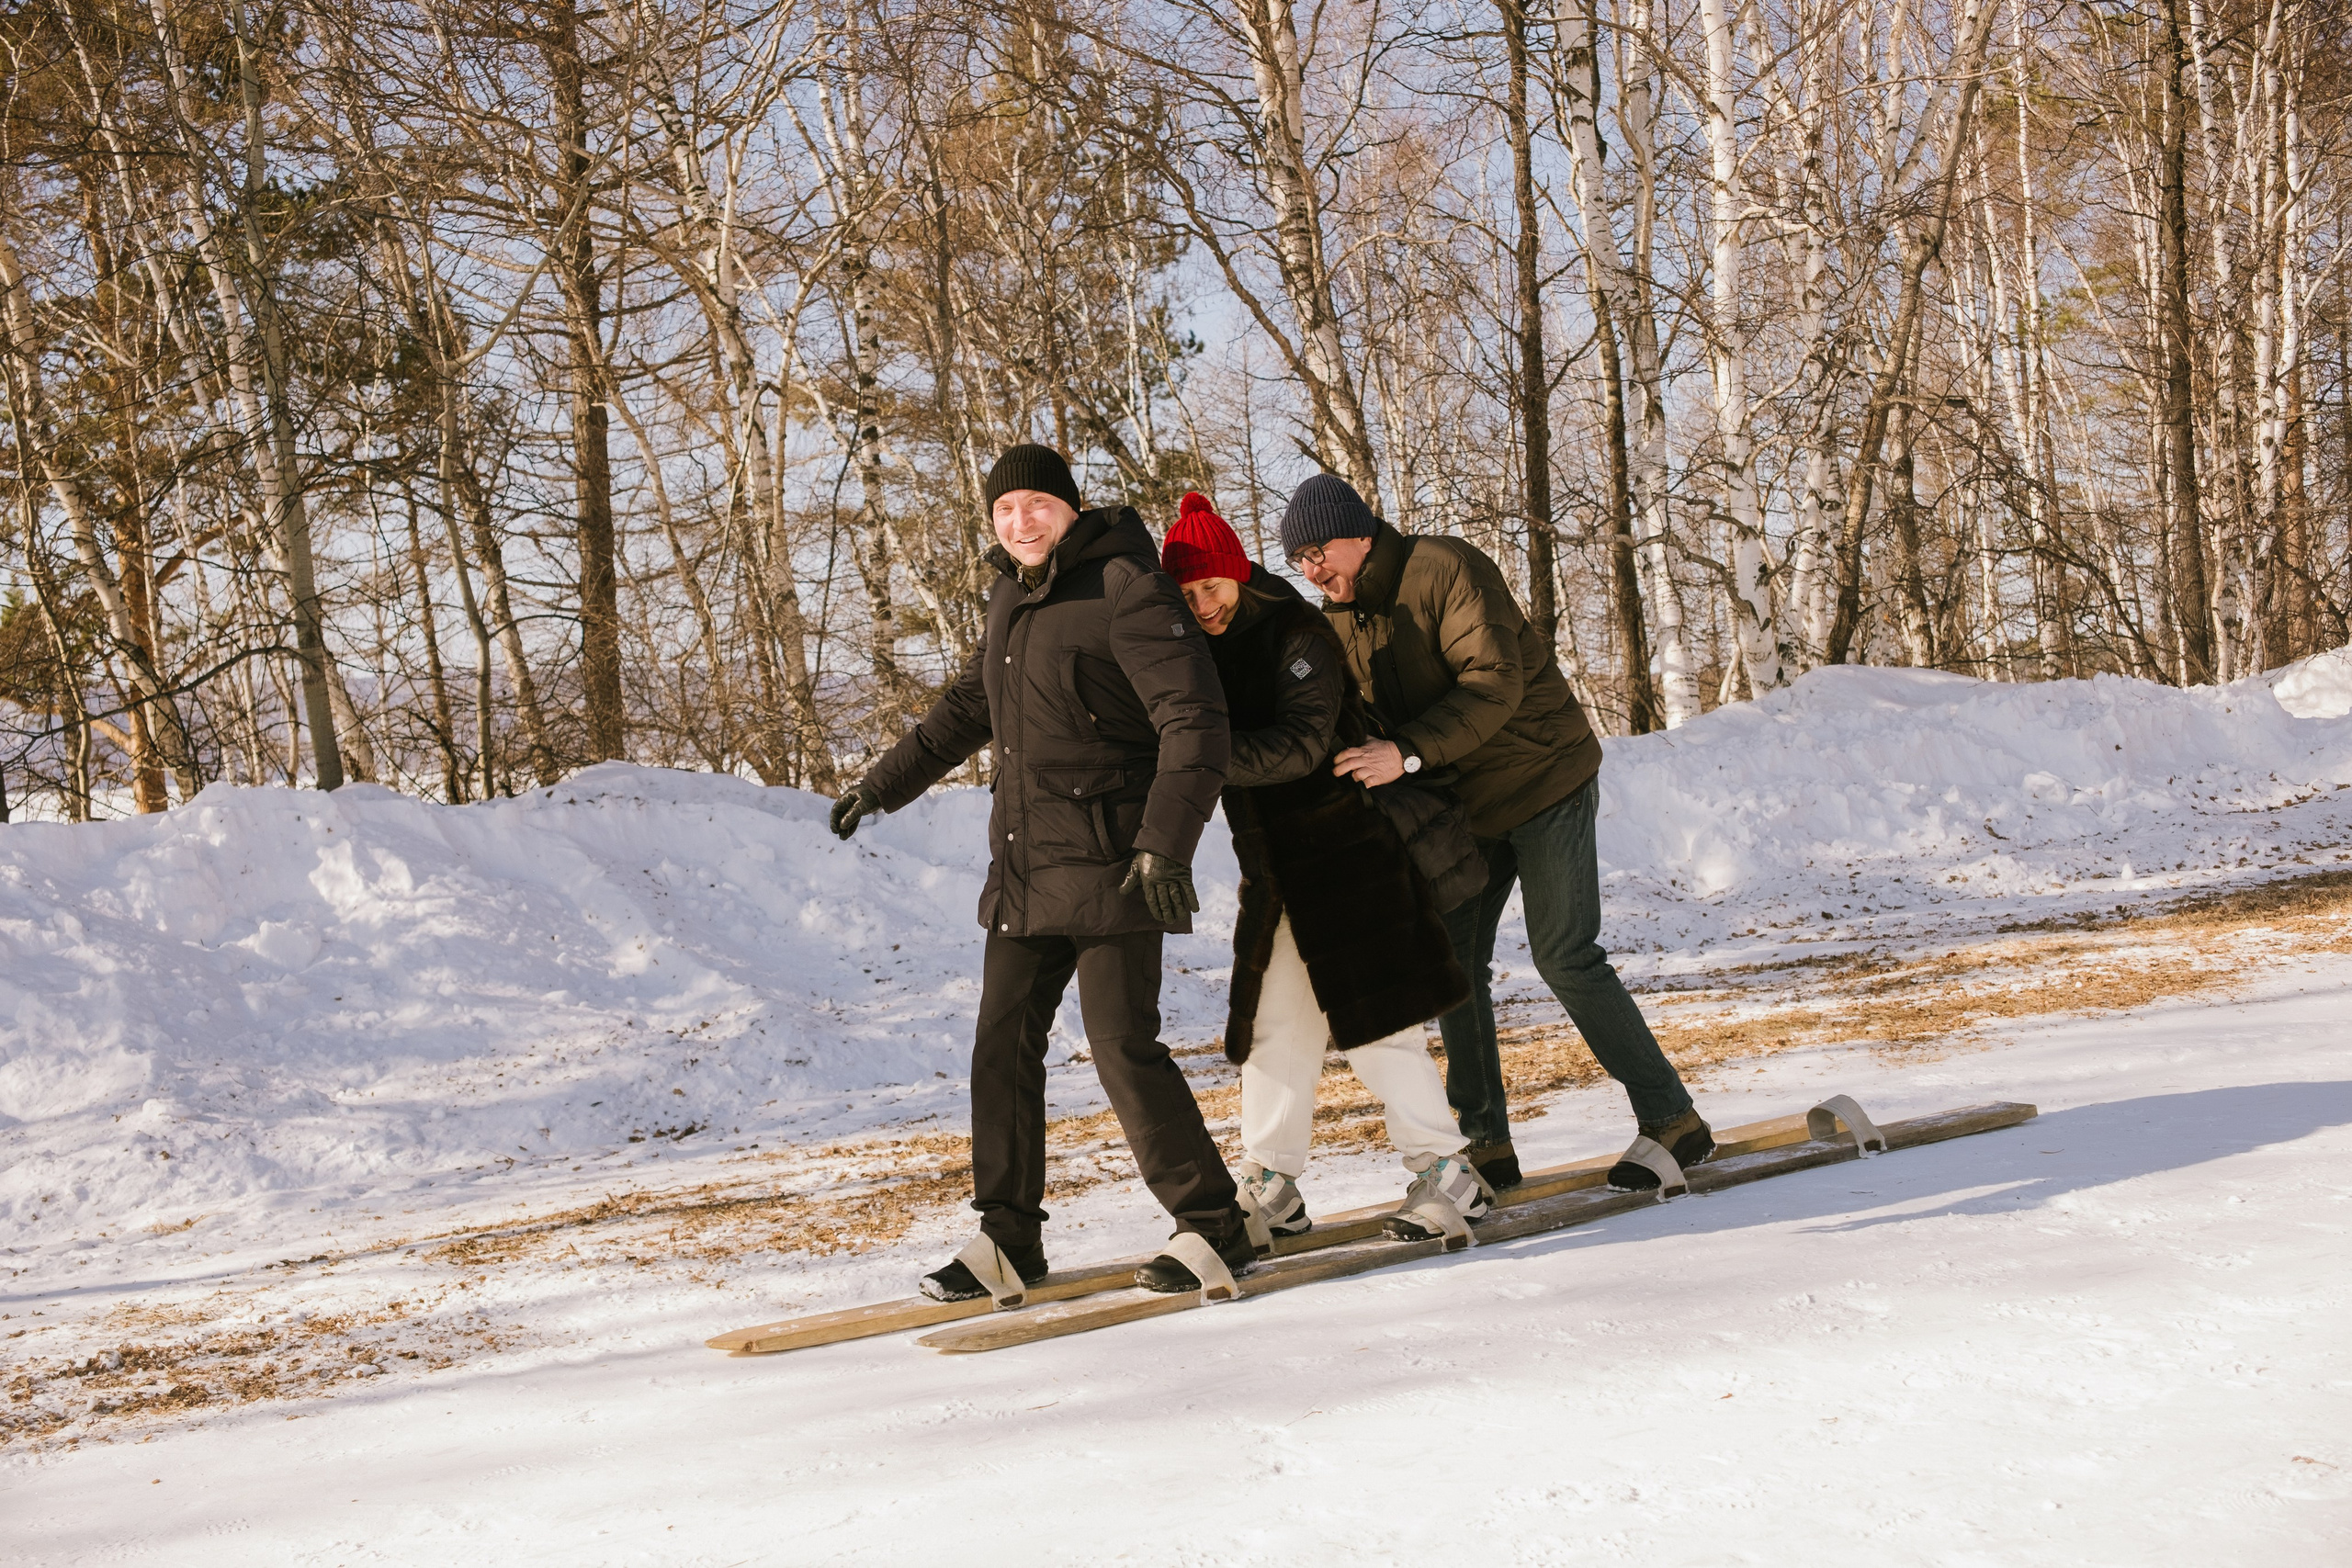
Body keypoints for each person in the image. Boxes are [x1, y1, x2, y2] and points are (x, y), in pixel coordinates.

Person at [830, 446, 1258, 1300]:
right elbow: (968, 706)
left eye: (1035, 504)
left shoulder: (1127, 585)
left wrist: (1166, 844)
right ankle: (1008, 1238)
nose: (1020, 522)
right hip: (1028, 865)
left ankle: (1216, 1225)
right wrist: (882, 784)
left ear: (1069, 507)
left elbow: (1195, 721)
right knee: (1001, 1046)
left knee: (1122, 1049)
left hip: (1117, 863)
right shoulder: (1010, 598)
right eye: (1004, 510)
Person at [1277, 473, 1713, 1192]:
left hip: (1544, 779)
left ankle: (1674, 1120)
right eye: (1299, 560)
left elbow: (1492, 683)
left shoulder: (1444, 568)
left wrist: (1406, 752)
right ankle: (1486, 1142)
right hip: (1468, 806)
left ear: (1359, 532)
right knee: (1451, 965)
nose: (1313, 569)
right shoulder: (1341, 619)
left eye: (1320, 550)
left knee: (1565, 953)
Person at [1161, 491, 1490, 1244]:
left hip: (1347, 857)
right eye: (1187, 595)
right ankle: (1272, 1183)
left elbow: (1302, 744)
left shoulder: (1294, 631)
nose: (1203, 605)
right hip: (1276, 875)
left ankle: (1449, 1174)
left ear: (1238, 573)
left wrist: (1203, 756)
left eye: (1210, 587)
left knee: (1380, 1024)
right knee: (1275, 1030)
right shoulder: (1197, 653)